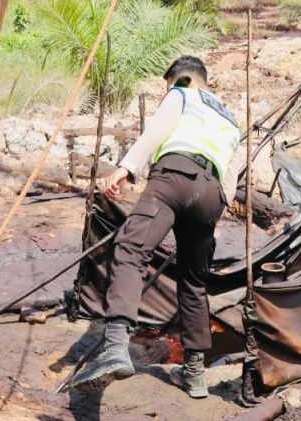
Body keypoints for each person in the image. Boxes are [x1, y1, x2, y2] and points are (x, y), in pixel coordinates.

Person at [71, 55, 242, 399]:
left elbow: (157, 130)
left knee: (131, 248)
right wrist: (217, 206)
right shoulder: (230, 118)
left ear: (183, 79)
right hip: (212, 194)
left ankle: (116, 346)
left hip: (175, 176)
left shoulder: (182, 92)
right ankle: (194, 372)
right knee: (194, 281)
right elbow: (233, 172)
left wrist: (127, 167)